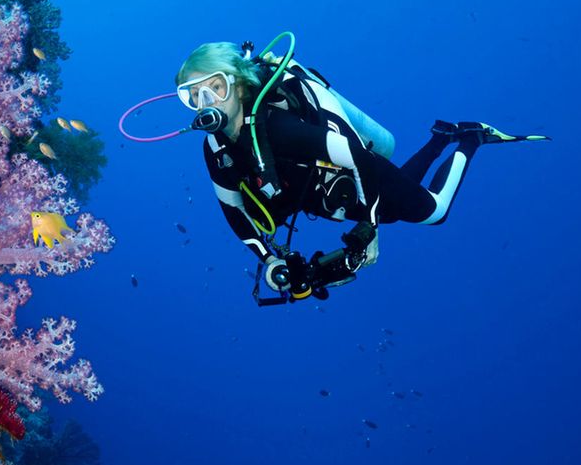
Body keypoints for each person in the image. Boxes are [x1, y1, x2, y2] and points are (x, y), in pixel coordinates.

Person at [175, 41, 547, 299]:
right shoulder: (215, 150)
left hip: (357, 174)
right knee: (390, 208)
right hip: (338, 192)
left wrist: (368, 227)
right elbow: (234, 213)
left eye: (215, 88)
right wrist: (269, 260)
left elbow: (359, 157)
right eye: (193, 95)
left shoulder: (279, 128)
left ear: (239, 84)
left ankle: (471, 139)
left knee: (434, 212)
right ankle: (440, 138)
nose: (205, 103)